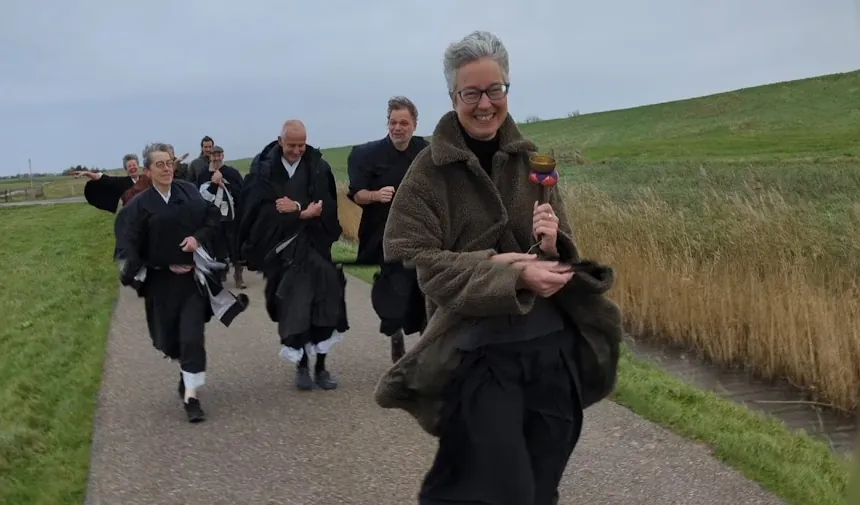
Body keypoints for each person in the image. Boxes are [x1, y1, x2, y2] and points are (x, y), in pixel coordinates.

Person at [374, 31, 623, 505]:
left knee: (541, 485)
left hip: (550, 349)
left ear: (507, 89)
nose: (485, 104)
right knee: (497, 487)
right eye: (472, 92)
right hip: (478, 352)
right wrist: (505, 272)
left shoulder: (534, 160)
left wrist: (553, 243)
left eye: (495, 90)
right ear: (453, 97)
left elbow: (559, 252)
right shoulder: (428, 172)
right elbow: (423, 263)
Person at [116, 142, 249, 423]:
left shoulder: (188, 192)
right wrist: (142, 267)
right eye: (160, 165)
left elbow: (212, 218)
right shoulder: (138, 206)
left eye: (169, 163)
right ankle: (184, 370)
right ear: (147, 170)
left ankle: (191, 396)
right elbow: (128, 244)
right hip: (160, 284)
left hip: (190, 281)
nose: (166, 169)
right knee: (167, 342)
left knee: (191, 337)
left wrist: (197, 238)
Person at [238, 120, 347, 391]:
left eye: (302, 144)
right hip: (283, 253)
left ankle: (321, 367)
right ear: (280, 141)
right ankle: (301, 367)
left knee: (327, 304)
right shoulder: (263, 170)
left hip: (316, 248)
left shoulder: (319, 167)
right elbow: (258, 213)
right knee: (295, 308)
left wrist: (298, 209)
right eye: (292, 145)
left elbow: (327, 205)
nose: (297, 150)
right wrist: (300, 214)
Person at [347, 96, 429, 363]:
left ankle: (427, 349)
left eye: (403, 123)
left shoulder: (425, 152)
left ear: (414, 125)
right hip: (383, 233)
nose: (397, 128)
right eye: (393, 122)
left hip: (420, 233)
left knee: (423, 289)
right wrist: (375, 195)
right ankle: (395, 335)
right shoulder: (368, 154)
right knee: (394, 290)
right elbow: (357, 194)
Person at [196, 145, 247, 288]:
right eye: (214, 155)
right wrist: (213, 184)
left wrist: (226, 185)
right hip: (213, 216)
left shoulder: (232, 172)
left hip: (231, 216)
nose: (217, 158)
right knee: (217, 246)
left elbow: (241, 192)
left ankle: (238, 276)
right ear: (210, 156)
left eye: (219, 155)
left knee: (234, 246)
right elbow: (201, 196)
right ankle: (220, 273)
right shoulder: (203, 174)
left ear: (223, 156)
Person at [76, 154, 152, 214]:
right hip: (132, 218)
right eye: (129, 166)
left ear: (138, 166)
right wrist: (88, 173)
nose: (132, 168)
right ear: (126, 169)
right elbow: (105, 179)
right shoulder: (122, 182)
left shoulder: (147, 179)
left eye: (134, 165)